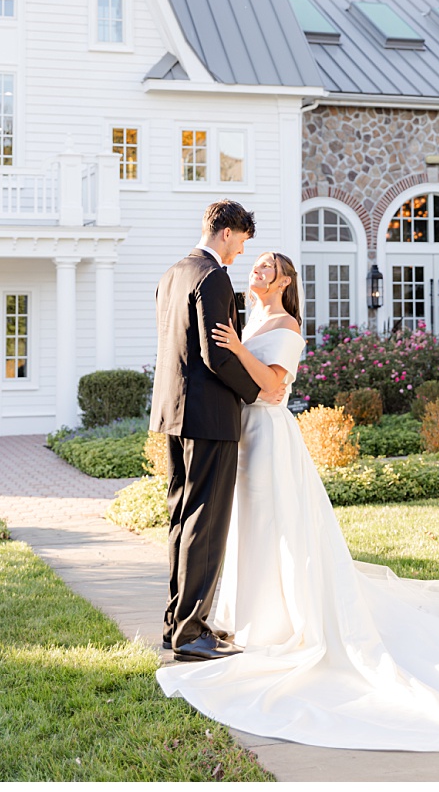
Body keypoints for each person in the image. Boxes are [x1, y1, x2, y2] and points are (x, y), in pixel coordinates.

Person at [156, 251, 439, 751]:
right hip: (243, 433)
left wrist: (237, 346)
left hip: (269, 435)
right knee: (246, 527)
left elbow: (275, 388)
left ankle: (285, 621)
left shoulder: (285, 323)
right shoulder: (249, 316)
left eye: (265, 267)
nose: (255, 271)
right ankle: (242, 616)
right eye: (253, 264)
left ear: (284, 280)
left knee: (277, 525)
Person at [151, 200, 283, 662]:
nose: (241, 254)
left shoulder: (172, 275)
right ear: (226, 233)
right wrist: (257, 392)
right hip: (208, 417)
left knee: (181, 518)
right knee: (205, 523)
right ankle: (192, 633)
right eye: (242, 242)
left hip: (174, 414)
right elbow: (217, 354)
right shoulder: (212, 277)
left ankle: (176, 625)